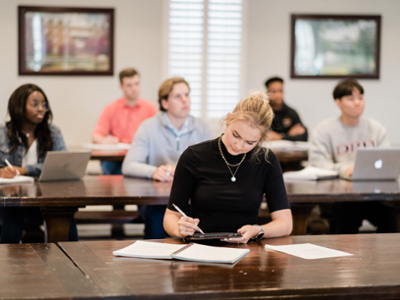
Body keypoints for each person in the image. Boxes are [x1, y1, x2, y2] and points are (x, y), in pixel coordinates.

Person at [163, 91, 292, 243]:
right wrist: (179, 229)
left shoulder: (266, 160)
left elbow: (285, 223)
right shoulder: (194, 156)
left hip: (246, 252)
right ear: (228, 119)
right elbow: (171, 216)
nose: (239, 145)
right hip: (201, 248)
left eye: (250, 143)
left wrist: (258, 230)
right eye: (236, 135)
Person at [122, 77, 213, 239]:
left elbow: (213, 165)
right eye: (178, 96)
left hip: (193, 199)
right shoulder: (148, 127)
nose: (185, 100)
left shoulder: (202, 127)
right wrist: (154, 171)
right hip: (157, 200)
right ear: (164, 103)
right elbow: (129, 165)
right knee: (156, 223)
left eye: (187, 94)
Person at [309, 78, 396, 234]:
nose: (358, 103)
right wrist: (344, 169)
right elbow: (317, 162)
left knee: (392, 218)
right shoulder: (324, 129)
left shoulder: (376, 128)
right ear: (338, 102)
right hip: (341, 196)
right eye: (351, 99)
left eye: (360, 98)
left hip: (373, 195)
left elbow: (387, 159)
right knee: (346, 221)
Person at [0, 83, 77, 243]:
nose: (41, 108)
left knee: (65, 215)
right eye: (34, 104)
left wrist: (25, 170)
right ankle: (7, 264)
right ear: (19, 106)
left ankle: (69, 261)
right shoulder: (2, 134)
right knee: (12, 216)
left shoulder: (53, 132)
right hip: (13, 198)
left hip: (46, 197)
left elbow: (63, 163)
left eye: (44, 104)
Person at [93, 68, 157, 175]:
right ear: (121, 86)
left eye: (136, 84)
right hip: (117, 157)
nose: (134, 88)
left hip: (141, 154)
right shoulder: (111, 108)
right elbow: (96, 135)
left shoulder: (151, 108)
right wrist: (104, 140)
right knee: (109, 167)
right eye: (129, 85)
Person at [265, 77, 308, 141]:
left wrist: (281, 137)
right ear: (267, 92)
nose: (278, 95)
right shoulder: (262, 113)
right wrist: (290, 134)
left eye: (280, 91)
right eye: (273, 91)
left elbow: (303, 135)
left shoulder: (291, 112)